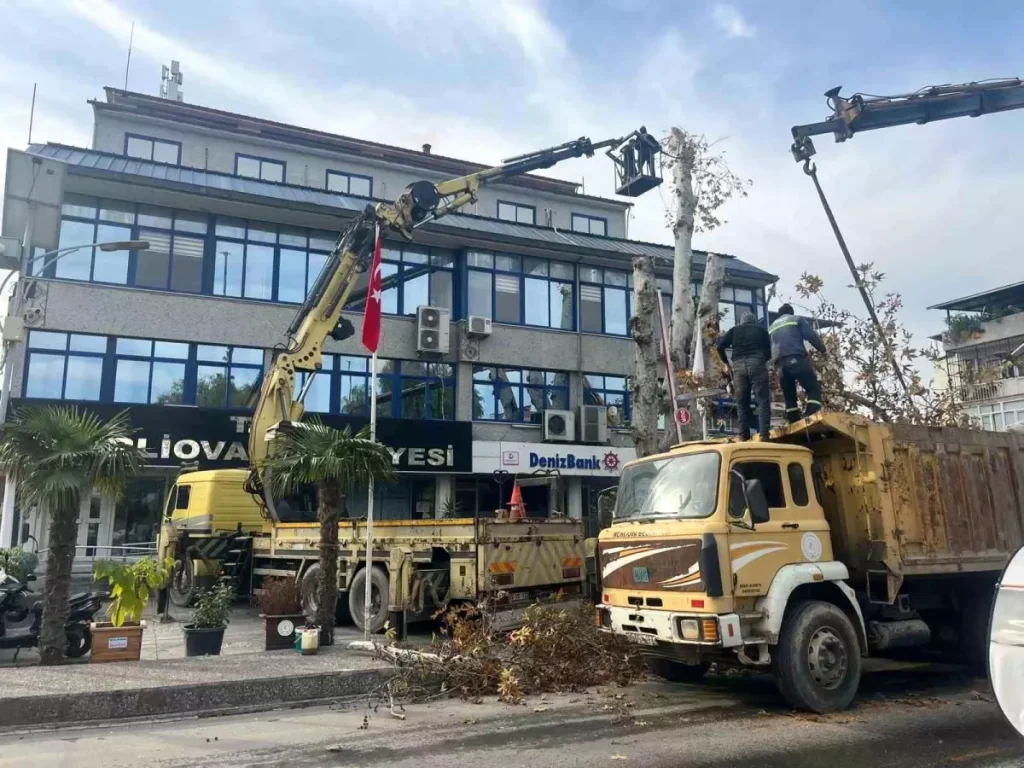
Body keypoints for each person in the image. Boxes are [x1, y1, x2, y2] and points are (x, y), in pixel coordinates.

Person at [716, 311, 772, 441]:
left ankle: (743, 434)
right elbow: (769, 352)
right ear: (754, 321)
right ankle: (764, 434)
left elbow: (719, 347)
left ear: (742, 322)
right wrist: (761, 360)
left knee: (741, 402)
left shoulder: (735, 330)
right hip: (757, 363)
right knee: (762, 400)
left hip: (738, 366)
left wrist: (727, 362)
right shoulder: (761, 331)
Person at [769, 303, 826, 423]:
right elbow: (811, 335)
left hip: (779, 365)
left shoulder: (771, 327)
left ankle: (793, 421)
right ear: (791, 312)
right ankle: (810, 415)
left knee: (789, 397)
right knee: (813, 388)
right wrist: (822, 349)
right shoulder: (796, 319)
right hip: (794, 357)